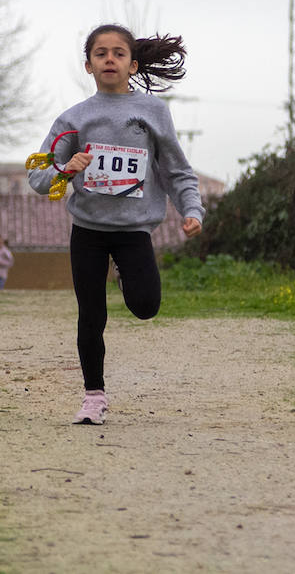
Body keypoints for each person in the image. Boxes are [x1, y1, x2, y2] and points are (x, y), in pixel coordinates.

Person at [28, 24, 205, 425]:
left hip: (134, 231)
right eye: (101, 53)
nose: (110, 59)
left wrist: (191, 210)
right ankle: (93, 396)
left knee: (146, 307)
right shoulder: (73, 119)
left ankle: (126, 275)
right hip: (88, 231)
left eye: (118, 53)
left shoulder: (153, 111)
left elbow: (177, 170)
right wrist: (65, 170)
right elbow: (38, 177)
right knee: (91, 315)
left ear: (133, 63)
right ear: (87, 65)